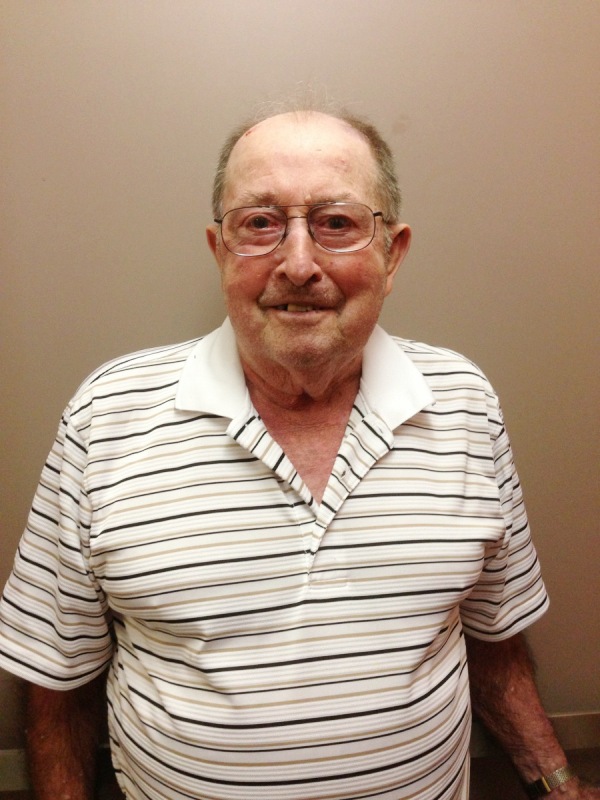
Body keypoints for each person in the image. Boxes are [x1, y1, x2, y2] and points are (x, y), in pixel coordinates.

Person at [0, 103, 597, 800]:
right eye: (259, 223)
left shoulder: (463, 404)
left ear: (393, 253)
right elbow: (55, 680)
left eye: (336, 222)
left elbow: (495, 643)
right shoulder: (107, 415)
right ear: (219, 250)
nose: (299, 263)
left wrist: (557, 782)